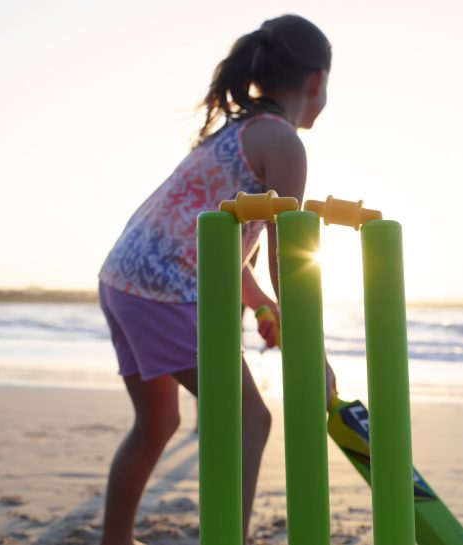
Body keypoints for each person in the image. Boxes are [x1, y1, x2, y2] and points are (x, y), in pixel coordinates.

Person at [96, 15, 334, 545]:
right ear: (316, 81)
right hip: (166, 290)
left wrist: (260, 304)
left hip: (122, 281)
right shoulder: (284, 144)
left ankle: (115, 539)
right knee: (251, 419)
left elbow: (226, 243)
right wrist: (312, 357)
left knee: (156, 425)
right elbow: (288, 253)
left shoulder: (239, 132)